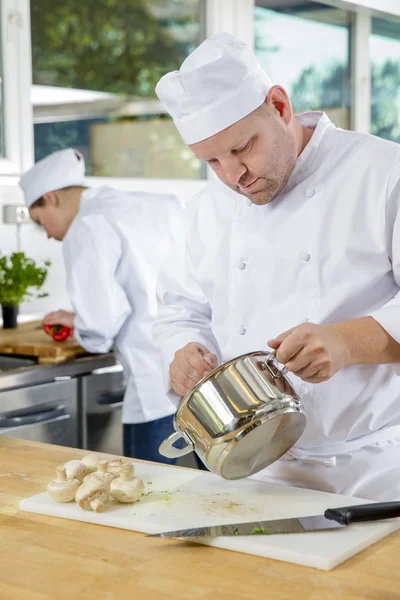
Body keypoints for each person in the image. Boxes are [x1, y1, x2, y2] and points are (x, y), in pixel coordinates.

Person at [152, 31, 400, 500]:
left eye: (243, 147)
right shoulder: (205, 210)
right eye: (212, 161)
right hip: (248, 472)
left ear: (280, 106)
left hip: (371, 473)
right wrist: (183, 351)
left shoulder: (383, 173)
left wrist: (346, 342)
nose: (233, 177)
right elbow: (180, 311)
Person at [19, 148, 183, 464]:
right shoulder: (157, 204)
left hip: (154, 389)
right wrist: (79, 315)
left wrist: (82, 326)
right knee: (216, 494)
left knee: (144, 500)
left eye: (41, 223)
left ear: (51, 198)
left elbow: (100, 328)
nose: (50, 236)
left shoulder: (87, 225)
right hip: (201, 374)